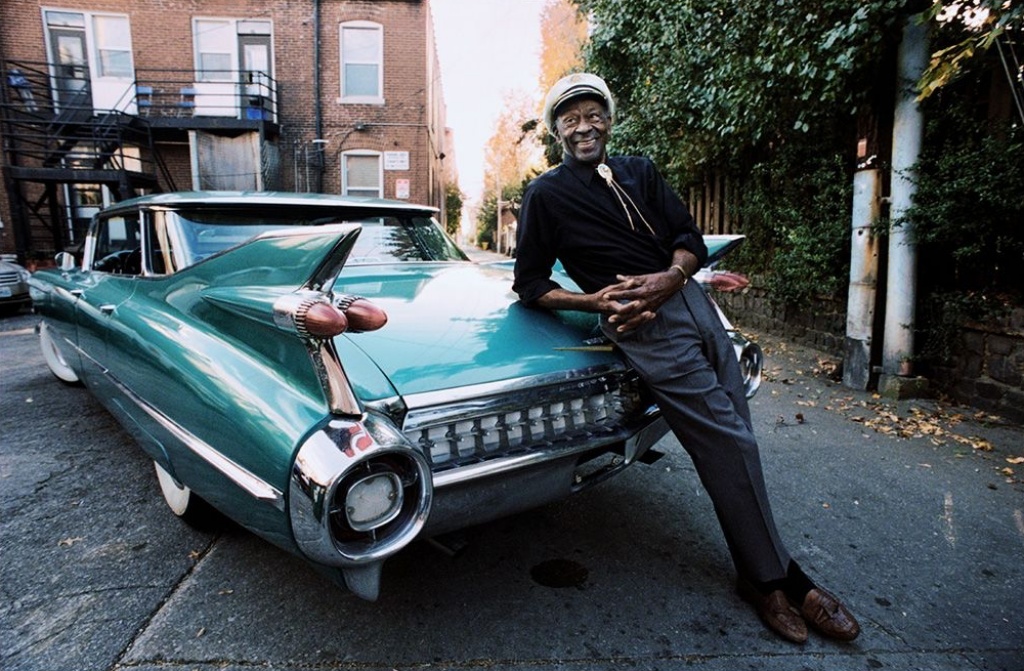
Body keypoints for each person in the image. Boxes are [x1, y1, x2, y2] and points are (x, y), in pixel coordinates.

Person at [513, 72, 860, 645]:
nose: (584, 126)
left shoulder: (640, 171)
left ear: (609, 118)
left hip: (695, 307)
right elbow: (529, 283)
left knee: (737, 444)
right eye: (570, 118)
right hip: (646, 327)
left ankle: (761, 572)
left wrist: (673, 275)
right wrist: (593, 300)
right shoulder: (545, 194)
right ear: (556, 132)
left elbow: (689, 240)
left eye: (593, 112)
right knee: (733, 446)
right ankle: (780, 579)